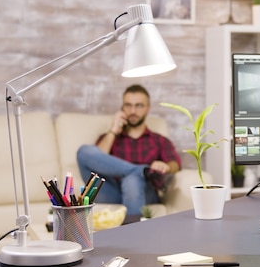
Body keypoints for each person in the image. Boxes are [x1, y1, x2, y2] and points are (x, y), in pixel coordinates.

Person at [76, 84, 181, 215]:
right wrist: (113, 131)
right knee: (83, 151)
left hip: (143, 192)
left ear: (148, 108)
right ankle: (142, 170)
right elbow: (97, 160)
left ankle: (138, 175)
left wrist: (166, 166)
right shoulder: (109, 136)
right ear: (122, 108)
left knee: (132, 179)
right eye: (128, 105)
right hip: (112, 192)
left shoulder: (159, 140)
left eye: (139, 105)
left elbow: (175, 164)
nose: (132, 111)